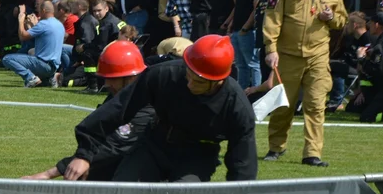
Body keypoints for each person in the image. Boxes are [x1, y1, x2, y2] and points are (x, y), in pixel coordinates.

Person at [72, 35, 256, 182]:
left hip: (197, 156)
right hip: (153, 145)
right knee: (125, 191)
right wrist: (84, 154)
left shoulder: (237, 108)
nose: (190, 84)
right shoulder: (161, 75)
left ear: (219, 81)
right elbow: (117, 109)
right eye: (188, 74)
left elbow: (242, 163)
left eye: (199, 82)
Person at [262, 0, 348, 168]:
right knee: (284, 105)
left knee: (316, 104)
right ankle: (276, 146)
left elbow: (342, 20)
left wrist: (331, 17)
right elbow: (272, 18)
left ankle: (312, 153)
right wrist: (271, 49)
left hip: (318, 55)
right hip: (288, 54)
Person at [24, 41, 154, 180]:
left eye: (112, 79)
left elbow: (112, 145)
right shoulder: (120, 95)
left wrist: (49, 174)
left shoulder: (149, 106)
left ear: (130, 78)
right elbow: (98, 133)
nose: (106, 84)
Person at [1, 1, 65, 87]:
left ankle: (30, 77)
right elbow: (43, 37)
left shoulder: (43, 24)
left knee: (7, 59)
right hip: (53, 66)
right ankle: (50, 78)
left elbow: (23, 36)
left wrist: (20, 20)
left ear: (43, 10)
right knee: (31, 52)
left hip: (43, 64)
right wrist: (33, 25)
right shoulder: (59, 24)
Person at [225, 0, 264, 88]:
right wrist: (230, 23)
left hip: (247, 31)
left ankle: (256, 91)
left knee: (253, 63)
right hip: (237, 30)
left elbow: (256, 9)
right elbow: (238, 6)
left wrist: (246, 27)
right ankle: (242, 91)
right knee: (241, 65)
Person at [352, 12, 383, 122]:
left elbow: (376, 70)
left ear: (376, 25)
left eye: (370, 23)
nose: (369, 26)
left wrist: (362, 59)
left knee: (367, 117)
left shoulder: (382, 44)